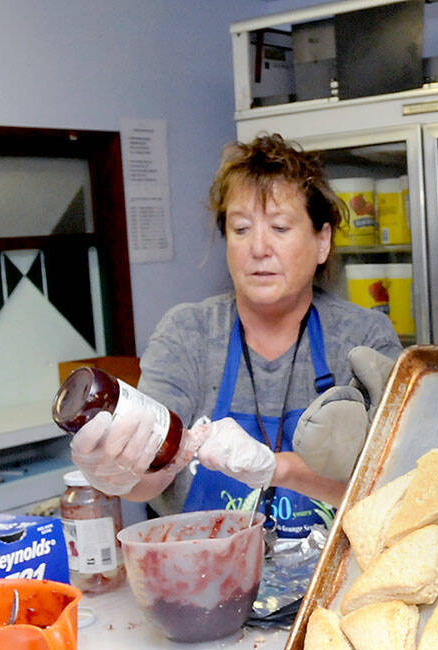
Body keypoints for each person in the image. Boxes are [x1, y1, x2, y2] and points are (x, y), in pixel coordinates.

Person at [69, 134, 402, 539]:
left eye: (279, 227)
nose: (258, 248)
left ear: (322, 241)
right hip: (204, 581)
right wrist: (118, 469)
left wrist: (277, 468)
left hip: (331, 587)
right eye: (241, 228)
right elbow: (150, 478)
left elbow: (393, 487)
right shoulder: (188, 333)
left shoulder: (361, 337)